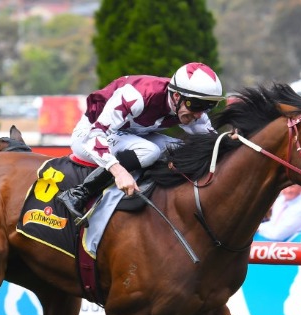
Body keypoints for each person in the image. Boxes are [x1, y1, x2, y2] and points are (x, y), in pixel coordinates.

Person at [56, 62, 225, 220]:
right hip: (89, 135)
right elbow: (95, 135)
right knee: (149, 151)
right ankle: (80, 193)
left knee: (181, 149)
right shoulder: (136, 97)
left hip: (129, 135)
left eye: (207, 107)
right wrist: (119, 172)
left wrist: (234, 140)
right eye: (195, 105)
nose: (199, 114)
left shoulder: (192, 110)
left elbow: (212, 143)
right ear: (175, 96)